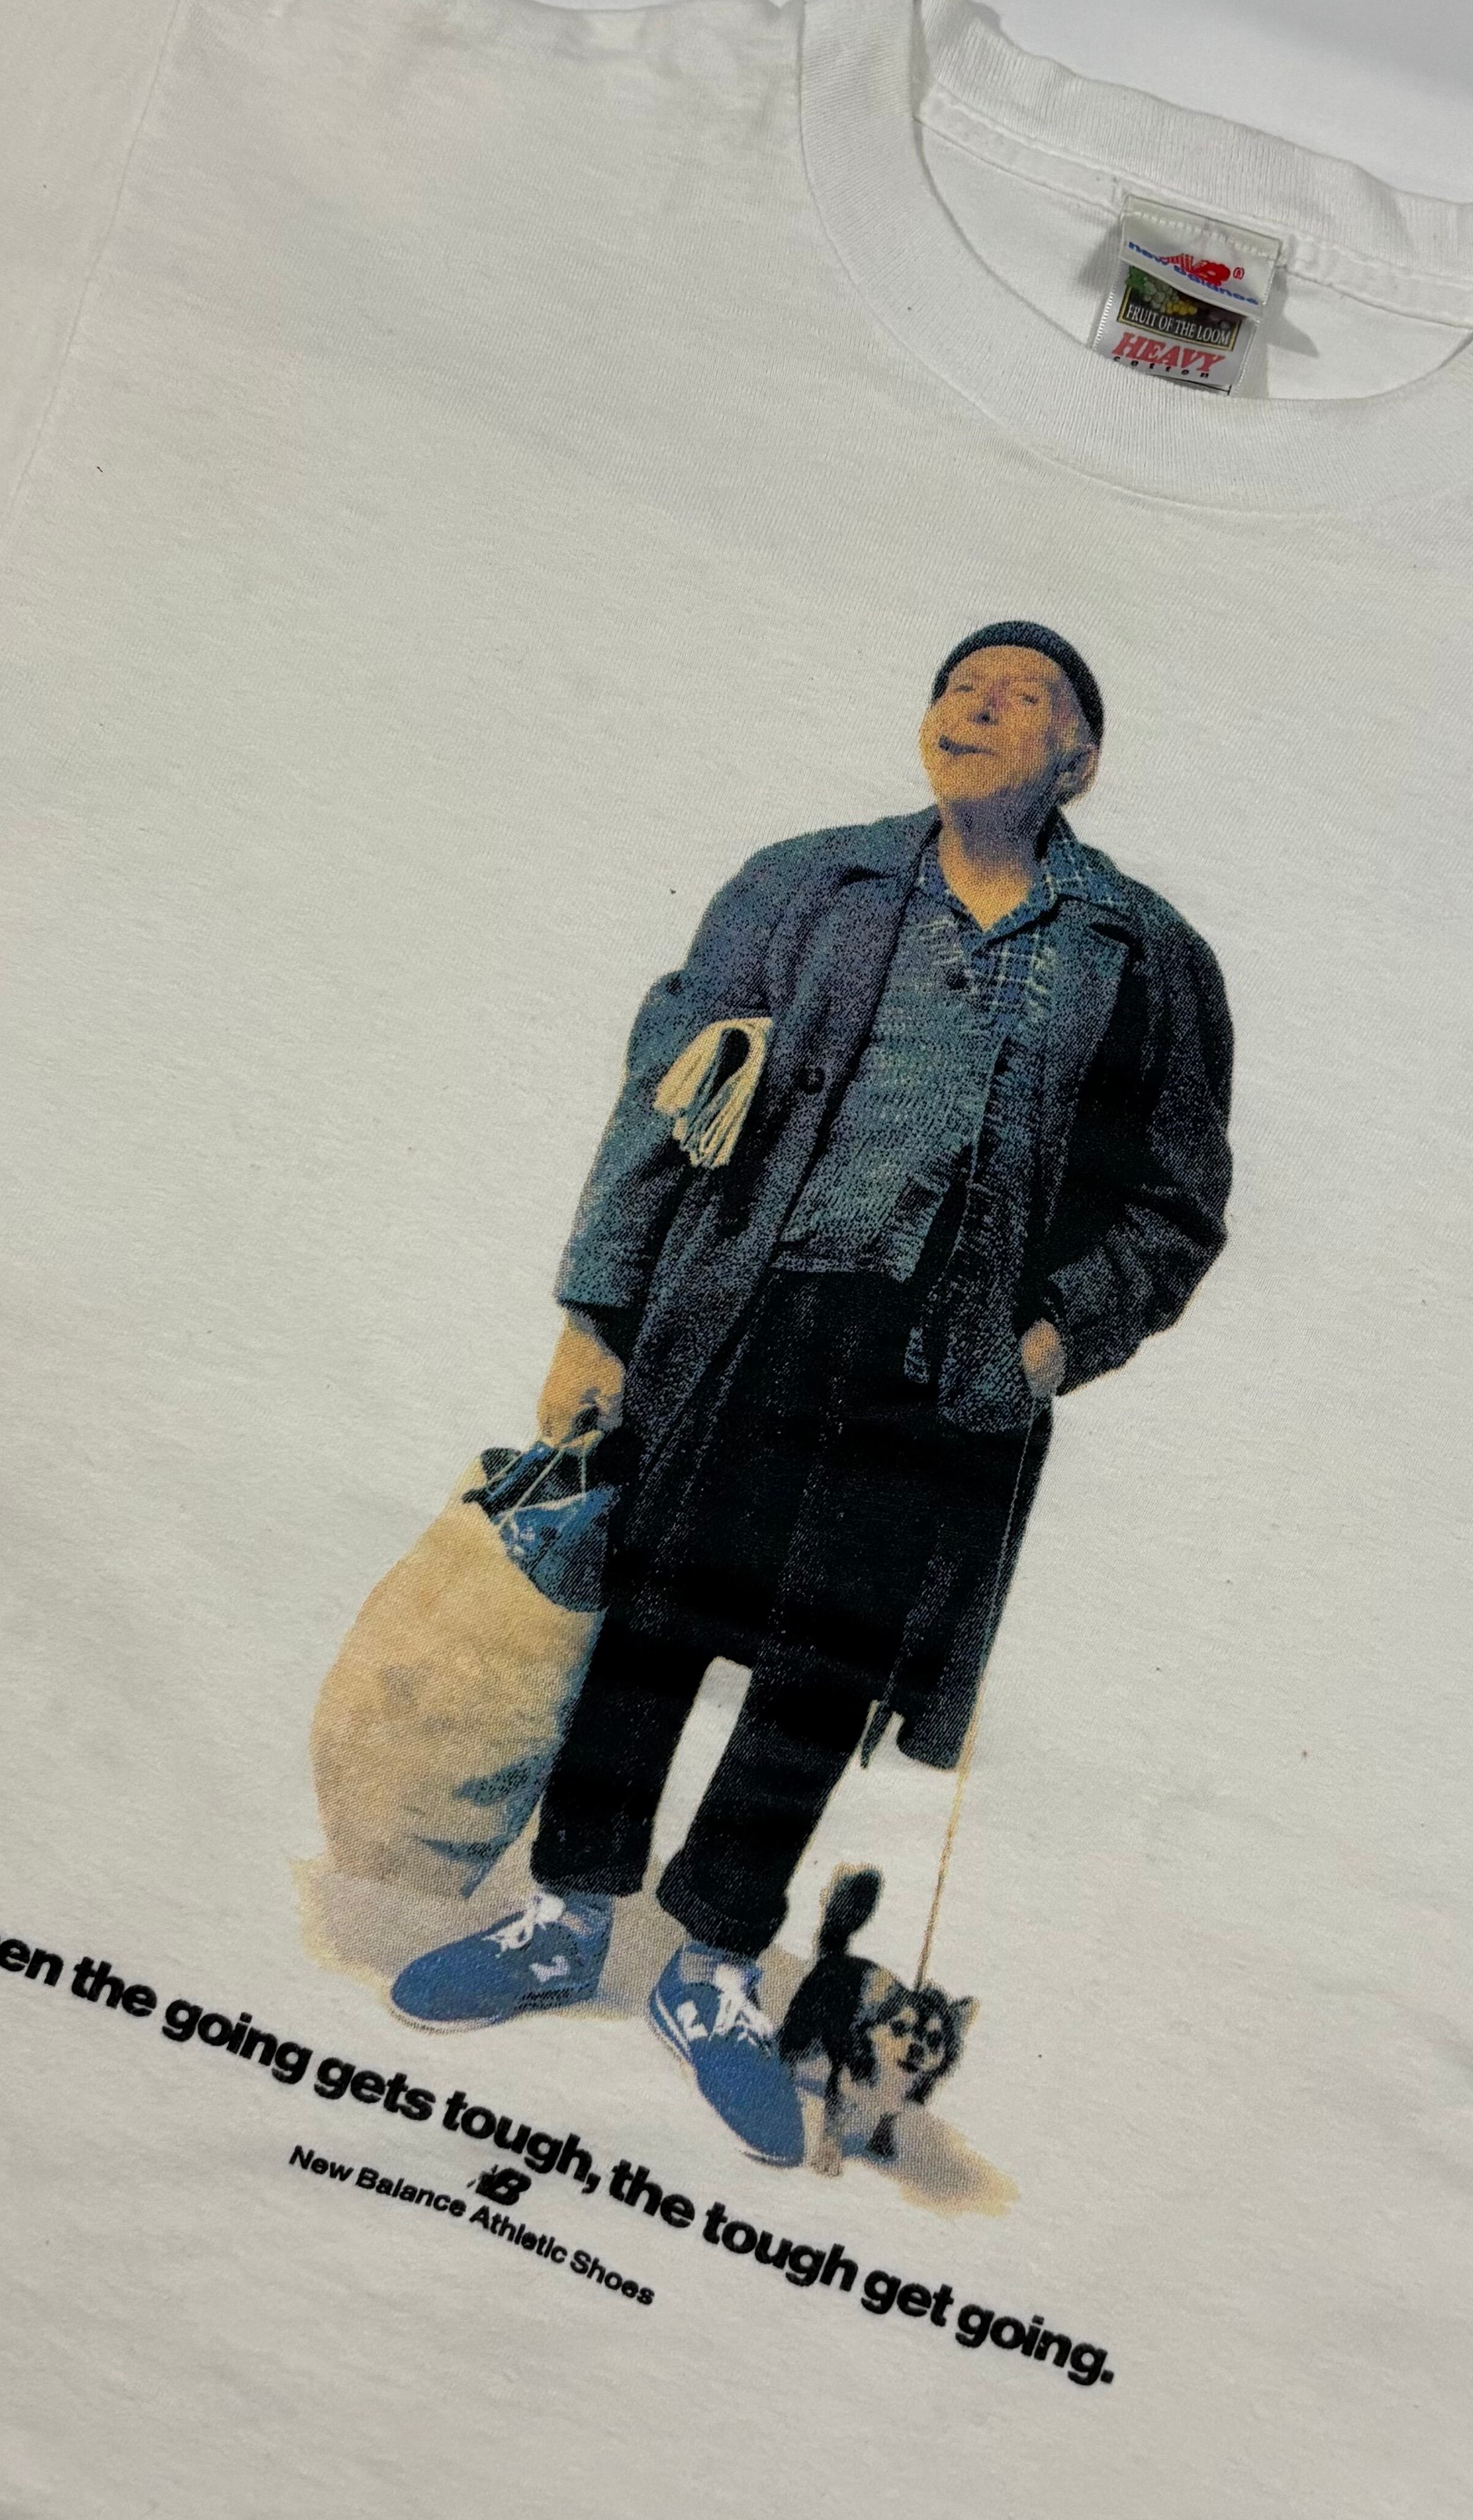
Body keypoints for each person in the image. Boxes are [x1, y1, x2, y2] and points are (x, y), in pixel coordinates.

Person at [389, 623, 1235, 2162]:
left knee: (824, 1675)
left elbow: (1178, 1203)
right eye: (958, 688)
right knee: (650, 1617)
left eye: (1021, 697)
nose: (976, 707)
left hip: (947, 1374)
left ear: (1079, 760)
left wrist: (1056, 1338)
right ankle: (568, 1919)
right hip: (742, 1319)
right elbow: (664, 1092)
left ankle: (712, 1966)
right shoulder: (806, 884)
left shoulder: (1147, 957)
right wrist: (596, 1317)